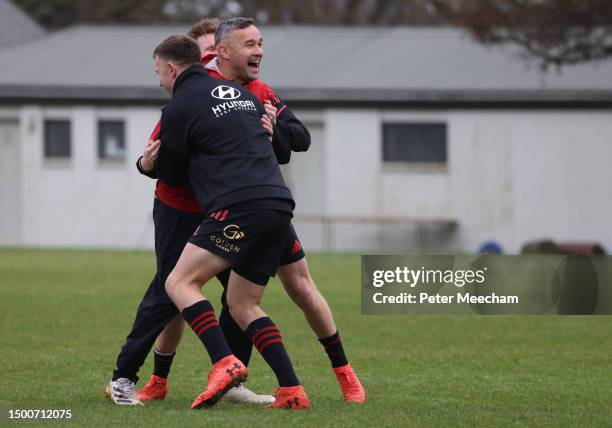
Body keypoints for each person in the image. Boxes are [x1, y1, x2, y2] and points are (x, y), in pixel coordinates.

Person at [136, 18, 365, 405]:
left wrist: (273, 128)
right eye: (250, 44)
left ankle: (342, 375)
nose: (258, 51)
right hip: (229, 206)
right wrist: (145, 165)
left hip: (245, 204)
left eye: (260, 43)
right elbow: (162, 151)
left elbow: (298, 141)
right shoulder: (193, 96)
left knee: (293, 287)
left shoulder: (257, 91)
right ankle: (170, 379)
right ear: (215, 53)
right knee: (226, 298)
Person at [105, 19, 280, 407]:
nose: (211, 56)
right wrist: (144, 165)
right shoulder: (186, 104)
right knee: (168, 291)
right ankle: (124, 377)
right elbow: (163, 162)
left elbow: (284, 144)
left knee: (236, 297)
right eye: (205, 50)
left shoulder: (236, 95)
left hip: (224, 210)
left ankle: (231, 379)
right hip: (179, 209)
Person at [153, 33, 309, 409]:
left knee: (179, 281)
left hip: (238, 207)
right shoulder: (245, 95)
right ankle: (292, 390)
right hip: (279, 206)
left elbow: (172, 174)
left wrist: (146, 163)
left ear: (172, 69)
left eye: (158, 72)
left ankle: (224, 362)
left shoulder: (179, 105)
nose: (158, 80)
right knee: (242, 303)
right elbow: (285, 146)